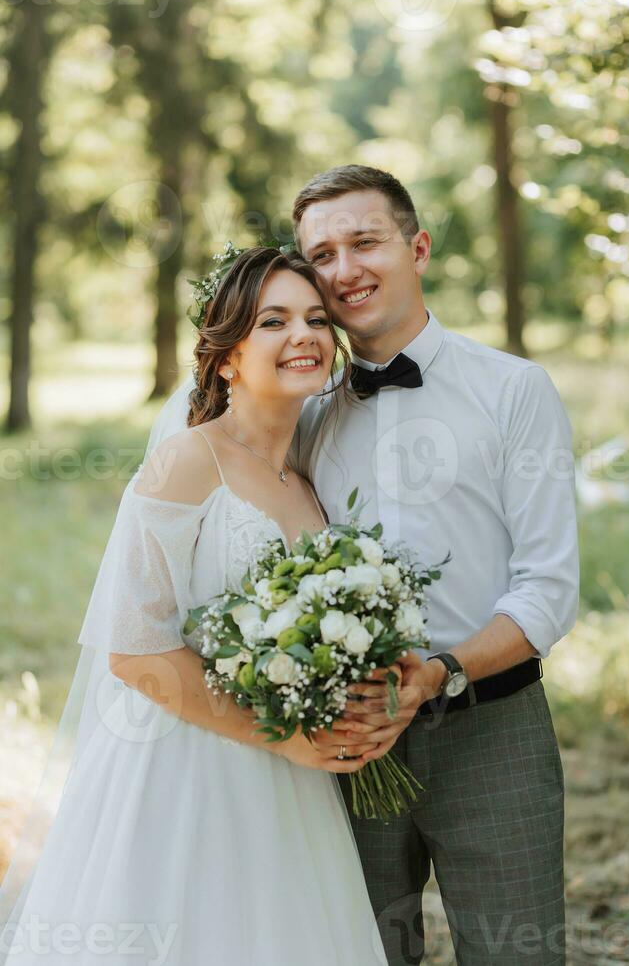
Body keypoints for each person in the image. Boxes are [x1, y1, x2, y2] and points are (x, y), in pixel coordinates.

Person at [0, 247, 390, 966]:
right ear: (226, 358)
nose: (302, 335)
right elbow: (132, 649)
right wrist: (287, 738)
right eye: (272, 321)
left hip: (288, 783)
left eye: (314, 318)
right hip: (184, 769)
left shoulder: (306, 478)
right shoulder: (187, 459)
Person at [288, 164, 579, 965]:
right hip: (344, 739)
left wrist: (441, 670)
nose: (345, 270)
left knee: (515, 953)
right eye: (322, 255)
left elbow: (549, 589)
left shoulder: (514, 390)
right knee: (358, 954)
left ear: (416, 247)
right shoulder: (301, 412)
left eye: (364, 242)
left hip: (493, 729)